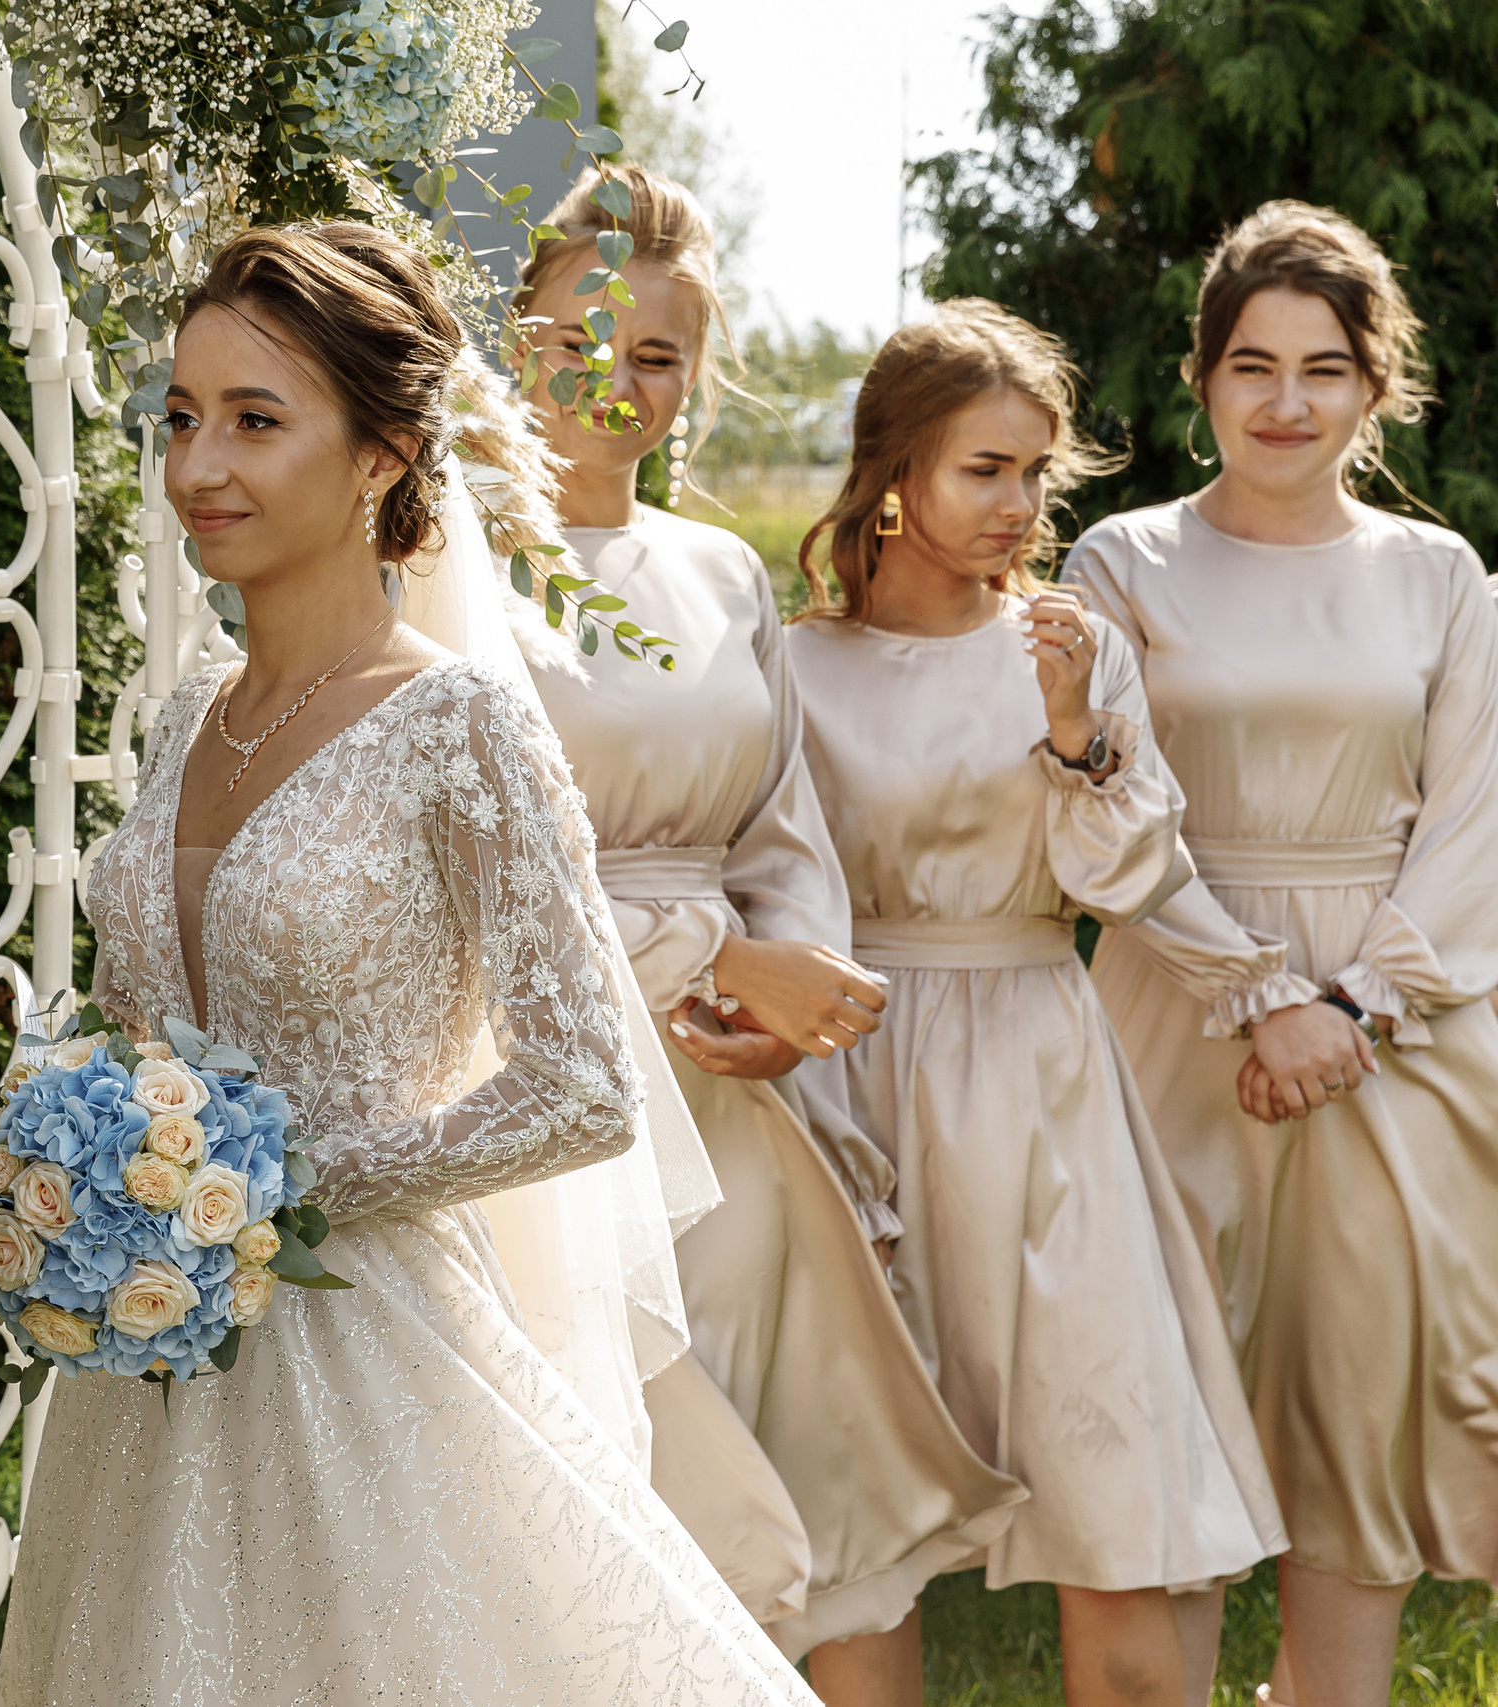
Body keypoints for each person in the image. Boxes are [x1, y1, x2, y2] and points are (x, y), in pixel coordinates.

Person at [0, 221, 816, 1706]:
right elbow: (146, 1026)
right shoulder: (186, 719)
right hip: (151, 1387)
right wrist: (97, 1152)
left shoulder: (459, 729)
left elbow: (584, 1089)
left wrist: (275, 1188)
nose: (198, 468)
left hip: (377, 1364)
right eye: (181, 418)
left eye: (256, 421)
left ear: (382, 455)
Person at [502, 162, 1024, 1696]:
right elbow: (475, 869)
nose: (617, 375)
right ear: (514, 336)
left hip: (738, 1110)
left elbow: (784, 834)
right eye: (579, 332)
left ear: (695, 377)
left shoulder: (720, 572)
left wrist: (783, 997)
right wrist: (703, 966)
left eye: (658, 351)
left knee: (821, 1510)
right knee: (635, 1500)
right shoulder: (446, 566)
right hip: (562, 1106)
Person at [786, 300, 1286, 1707]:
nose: (1017, 505)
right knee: (863, 1527)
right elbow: (780, 886)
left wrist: (1073, 730)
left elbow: (1126, 870)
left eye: (1032, 471)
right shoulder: (798, 666)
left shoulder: (1073, 647)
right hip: (856, 1072)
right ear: (895, 475)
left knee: (1113, 1506)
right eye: (981, 470)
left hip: (1042, 1075)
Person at [1063, 201, 1498, 1707]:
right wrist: (1254, 996)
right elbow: (1103, 806)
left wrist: (1355, 1004)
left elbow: (1475, 818)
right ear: (1203, 380)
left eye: (1324, 369)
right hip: (1177, 1010)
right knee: (1164, 1400)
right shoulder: (1124, 561)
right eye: (1253, 364)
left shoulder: (1440, 577)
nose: (1286, 403)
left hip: (1393, 1029)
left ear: (1378, 389)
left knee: (1353, 1410)